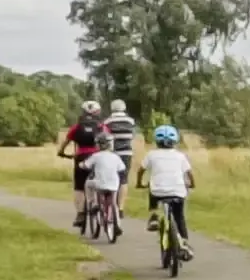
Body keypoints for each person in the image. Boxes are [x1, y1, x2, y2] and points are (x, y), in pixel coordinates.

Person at [137, 124, 194, 260]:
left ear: (157, 141)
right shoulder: (180, 156)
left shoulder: (151, 154)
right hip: (177, 191)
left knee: (153, 188)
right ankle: (184, 241)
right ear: (175, 141)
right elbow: (189, 173)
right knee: (179, 216)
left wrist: (139, 183)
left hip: (158, 191)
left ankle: (154, 216)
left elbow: (141, 170)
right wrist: (192, 184)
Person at [56, 100, 107, 231]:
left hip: (81, 157)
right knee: (101, 181)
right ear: (98, 112)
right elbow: (108, 139)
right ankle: (101, 203)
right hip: (98, 157)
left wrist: (61, 153)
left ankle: (80, 214)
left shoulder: (76, 127)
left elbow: (65, 142)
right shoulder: (102, 126)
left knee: (79, 187)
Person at [78, 132, 126, 236]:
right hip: (114, 185)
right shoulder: (115, 157)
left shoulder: (95, 156)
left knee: (88, 183)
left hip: (99, 184)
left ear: (97, 145)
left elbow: (86, 165)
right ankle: (117, 224)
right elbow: (122, 168)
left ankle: (93, 202)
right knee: (114, 203)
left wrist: (80, 164)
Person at [105, 99, 138, 218]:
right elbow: (133, 135)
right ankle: (120, 208)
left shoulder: (108, 121)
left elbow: (105, 136)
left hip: (112, 154)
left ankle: (110, 204)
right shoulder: (130, 121)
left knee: (110, 178)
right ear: (124, 108)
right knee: (123, 180)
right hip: (126, 153)